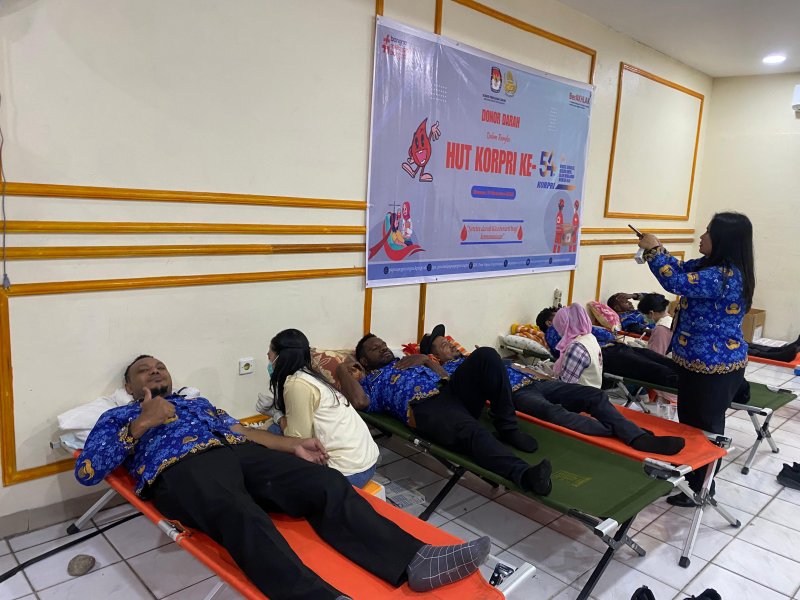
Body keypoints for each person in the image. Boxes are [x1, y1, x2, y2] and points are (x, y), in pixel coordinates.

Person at [76, 355, 491, 600]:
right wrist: (141, 424)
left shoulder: (196, 403)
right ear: (128, 386)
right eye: (143, 370)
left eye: (160, 367)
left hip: (240, 454)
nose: (154, 372)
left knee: (325, 482)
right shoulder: (118, 416)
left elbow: (241, 432)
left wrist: (292, 446)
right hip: (181, 468)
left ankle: (415, 560)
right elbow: (88, 470)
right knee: (240, 513)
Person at [337, 334, 554, 496]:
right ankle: (525, 476)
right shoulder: (372, 381)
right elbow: (359, 402)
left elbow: (444, 375)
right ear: (364, 361)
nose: (383, 348)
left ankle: (507, 427)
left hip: (450, 392)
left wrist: (426, 360)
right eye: (375, 349)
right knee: (471, 431)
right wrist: (340, 369)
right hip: (426, 407)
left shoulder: (409, 360)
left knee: (486, 355)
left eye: (383, 344)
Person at [421, 324, 684, 455]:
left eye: (449, 342)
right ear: (435, 357)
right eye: (444, 345)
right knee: (553, 413)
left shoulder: (474, 356)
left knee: (594, 396)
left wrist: (539, 374)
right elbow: (450, 386)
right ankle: (630, 434)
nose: (451, 346)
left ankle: (633, 434)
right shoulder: (453, 371)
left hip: (539, 381)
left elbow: (513, 365)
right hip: (516, 394)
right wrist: (429, 363)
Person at [638, 212, 755, 506]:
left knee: (705, 429)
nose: (701, 237)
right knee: (691, 425)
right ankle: (689, 477)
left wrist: (654, 251)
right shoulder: (708, 266)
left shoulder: (723, 276)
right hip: (697, 364)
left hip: (714, 368)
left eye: (708, 232)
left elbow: (675, 282)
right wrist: (659, 250)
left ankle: (702, 487)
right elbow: (679, 269)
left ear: (724, 240)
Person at [266, 329, 379, 488]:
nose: (269, 361)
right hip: (368, 461)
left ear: (280, 358)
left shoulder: (296, 384)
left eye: (269, 356)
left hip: (349, 474)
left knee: (272, 433)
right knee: (276, 430)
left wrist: (277, 415)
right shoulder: (311, 376)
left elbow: (296, 440)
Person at [537, 305, 679, 389]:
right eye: (560, 316)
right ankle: (687, 385)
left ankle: (687, 374)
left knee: (654, 357)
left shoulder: (576, 330)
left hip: (614, 348)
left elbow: (604, 333)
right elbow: (603, 334)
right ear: (550, 322)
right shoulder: (554, 332)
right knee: (653, 368)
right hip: (607, 356)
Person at [550, 304, 605, 388]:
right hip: (593, 390)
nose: (559, 333)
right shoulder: (590, 337)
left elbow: (565, 385)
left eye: (559, 328)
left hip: (579, 394)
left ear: (565, 326)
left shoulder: (576, 347)